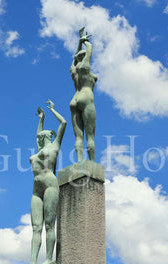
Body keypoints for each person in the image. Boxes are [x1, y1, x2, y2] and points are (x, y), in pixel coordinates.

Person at [28, 99, 66, 264]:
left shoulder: (54, 146)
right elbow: (36, 136)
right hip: (36, 189)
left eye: (43, 135)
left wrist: (52, 110)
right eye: (41, 135)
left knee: (50, 225)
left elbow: (64, 123)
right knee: (36, 227)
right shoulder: (38, 150)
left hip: (50, 185)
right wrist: (40, 119)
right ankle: (32, 261)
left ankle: (49, 259)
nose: (41, 137)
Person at [70, 27, 97, 162]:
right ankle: (92, 163)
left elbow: (74, 60)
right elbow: (90, 49)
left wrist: (79, 43)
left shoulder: (74, 70)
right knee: (90, 136)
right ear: (83, 56)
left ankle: (79, 162)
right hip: (86, 96)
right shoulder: (85, 66)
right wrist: (85, 42)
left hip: (74, 99)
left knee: (78, 137)